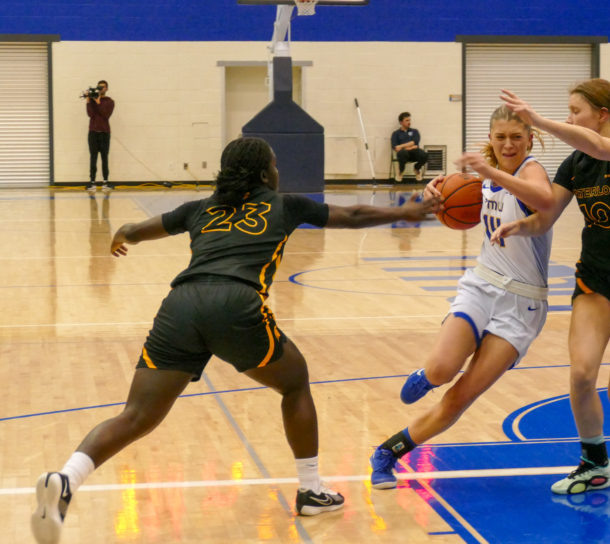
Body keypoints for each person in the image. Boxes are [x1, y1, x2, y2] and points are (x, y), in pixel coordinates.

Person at [30, 137, 439, 543]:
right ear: (264, 173)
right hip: (236, 303)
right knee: (294, 381)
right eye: (275, 164)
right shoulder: (285, 204)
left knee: (136, 414)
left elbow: (137, 229)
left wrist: (124, 234)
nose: (278, 171)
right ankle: (311, 488)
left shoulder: (199, 209)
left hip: (181, 306)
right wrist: (409, 211)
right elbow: (351, 213)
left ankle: (66, 478)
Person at [494, 80, 610, 495]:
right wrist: (523, 225)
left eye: (576, 111)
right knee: (581, 373)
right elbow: (547, 215)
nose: (570, 118)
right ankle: (595, 463)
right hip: (597, 280)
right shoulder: (575, 165)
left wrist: (538, 120)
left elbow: (601, 147)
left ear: (602, 114)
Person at [369, 104, 557, 489]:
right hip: (482, 285)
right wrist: (433, 195)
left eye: (516, 137)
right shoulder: (479, 179)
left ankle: (388, 452)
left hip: (523, 305)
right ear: (490, 138)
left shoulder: (531, 170)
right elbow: (455, 199)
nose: (508, 144)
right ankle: (427, 374)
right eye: (500, 137)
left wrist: (489, 171)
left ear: (530, 139)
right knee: (440, 371)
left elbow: (544, 198)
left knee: (459, 397)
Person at [85, 80, 115, 194]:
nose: (101, 88)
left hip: (104, 133)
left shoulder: (110, 102)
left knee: (104, 157)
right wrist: (89, 100)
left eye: (103, 87)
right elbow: (90, 114)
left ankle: (105, 182)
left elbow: (105, 114)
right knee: (93, 157)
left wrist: (98, 102)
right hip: (93, 132)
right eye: (99, 87)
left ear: (106, 89)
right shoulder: (92, 100)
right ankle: (92, 182)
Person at [391, 112, 428, 183]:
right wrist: (410, 147)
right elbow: (395, 147)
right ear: (401, 122)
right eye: (407, 120)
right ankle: (400, 172)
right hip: (403, 155)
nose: (409, 122)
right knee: (402, 153)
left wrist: (402, 146)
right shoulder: (396, 134)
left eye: (409, 120)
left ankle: (416, 169)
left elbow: (415, 142)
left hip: (414, 153)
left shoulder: (415, 131)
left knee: (424, 154)